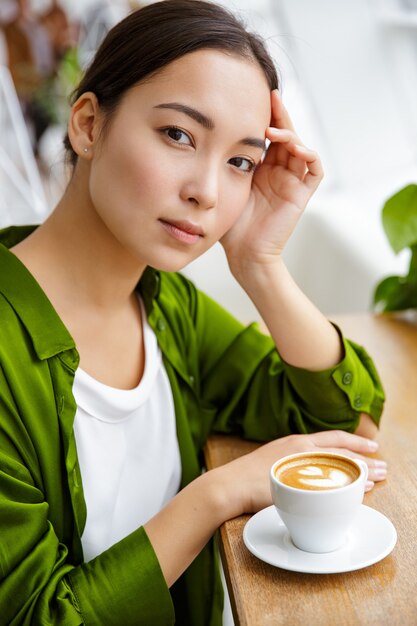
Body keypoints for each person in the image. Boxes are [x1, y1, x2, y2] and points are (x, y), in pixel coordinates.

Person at [0, 1, 386, 624]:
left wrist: (260, 263)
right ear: (89, 125)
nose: (207, 191)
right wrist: (217, 494)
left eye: (240, 161)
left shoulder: (161, 303)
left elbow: (347, 415)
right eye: (179, 135)